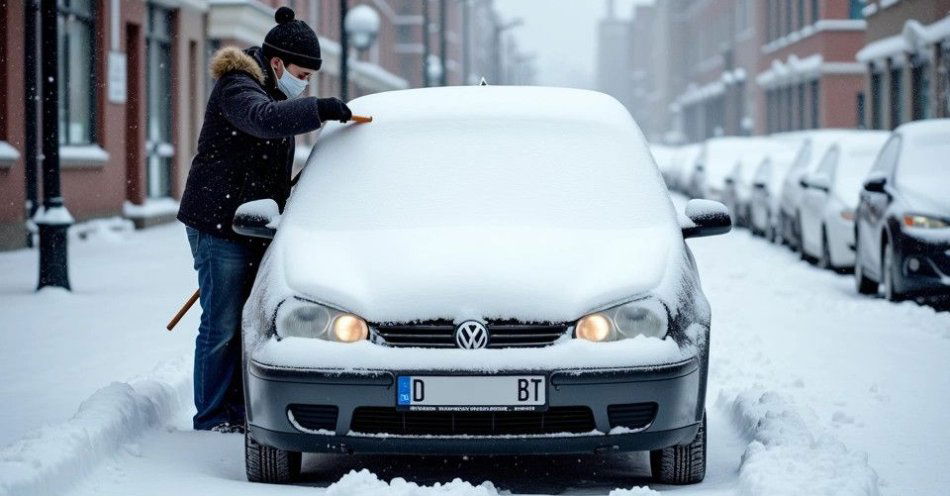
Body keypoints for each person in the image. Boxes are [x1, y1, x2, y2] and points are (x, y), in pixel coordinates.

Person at [176, 6, 352, 433]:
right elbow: (261, 121)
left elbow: (268, 169)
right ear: (276, 64)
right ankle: (212, 417)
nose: (305, 83)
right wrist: (319, 108)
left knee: (245, 321)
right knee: (220, 324)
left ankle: (238, 412)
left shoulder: (274, 93)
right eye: (302, 74)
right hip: (218, 225)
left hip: (252, 224)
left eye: (311, 77)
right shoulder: (240, 87)